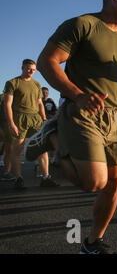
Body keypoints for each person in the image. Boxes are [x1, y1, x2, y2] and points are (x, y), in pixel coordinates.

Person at [29, 0, 117, 254]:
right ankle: (52, 137)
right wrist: (77, 94)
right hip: (82, 111)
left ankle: (91, 244)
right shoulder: (82, 25)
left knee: (113, 183)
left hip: (115, 119)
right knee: (93, 182)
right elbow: (47, 61)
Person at [4, 59, 59, 189]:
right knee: (17, 149)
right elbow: (7, 105)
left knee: (42, 148)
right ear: (22, 67)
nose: (31, 71)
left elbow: (40, 103)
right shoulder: (12, 83)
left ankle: (46, 178)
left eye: (33, 70)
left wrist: (44, 118)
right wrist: (11, 123)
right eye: (29, 69)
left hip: (35, 119)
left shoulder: (36, 84)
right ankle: (18, 179)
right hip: (19, 118)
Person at [0, 94, 14, 181]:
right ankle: (6, 173)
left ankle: (7, 172)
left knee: (10, 150)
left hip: (11, 125)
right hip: (4, 125)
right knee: (8, 150)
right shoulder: (2, 97)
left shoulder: (16, 97)